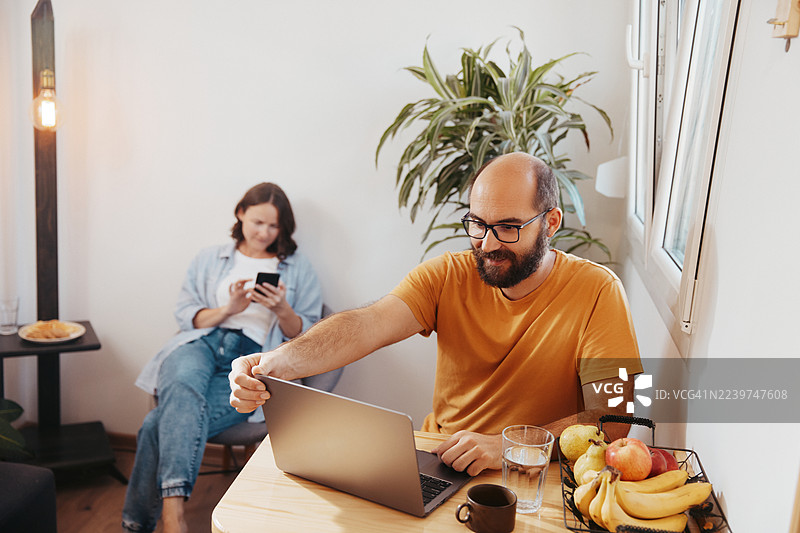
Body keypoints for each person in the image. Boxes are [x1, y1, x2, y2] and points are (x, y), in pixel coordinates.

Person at [229, 153, 642, 477]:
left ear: (550, 222)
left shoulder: (598, 290)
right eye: (478, 224)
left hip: (533, 474)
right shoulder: (448, 274)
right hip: (442, 462)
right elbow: (367, 324)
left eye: (509, 227)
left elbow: (618, 419)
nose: (488, 243)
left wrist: (512, 445)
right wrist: (279, 361)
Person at [122, 183, 342, 533]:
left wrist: (282, 309)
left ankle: (156, 518)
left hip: (251, 354)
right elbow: (186, 315)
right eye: (257, 222)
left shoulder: (298, 267)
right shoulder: (210, 257)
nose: (264, 233)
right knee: (180, 381)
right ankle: (168, 516)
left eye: (274, 226)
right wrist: (229, 308)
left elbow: (308, 334)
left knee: (156, 424)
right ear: (240, 214)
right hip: (202, 343)